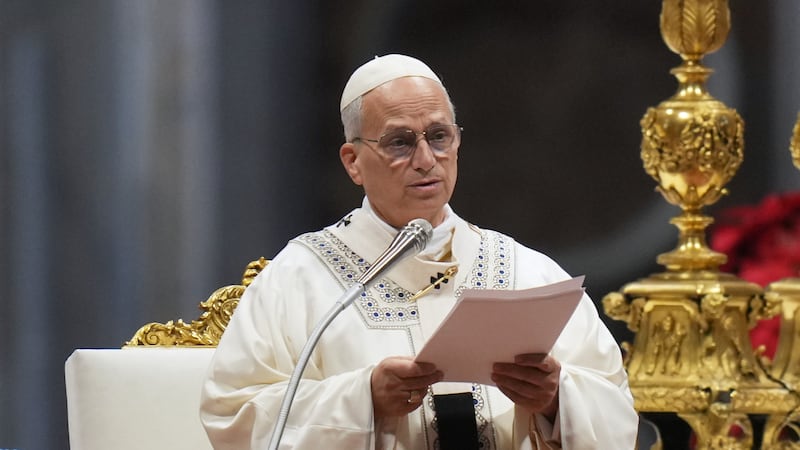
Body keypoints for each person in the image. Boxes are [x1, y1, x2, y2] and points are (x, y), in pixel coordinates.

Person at [200, 54, 638, 449]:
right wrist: (364, 400)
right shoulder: (296, 279)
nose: (426, 159)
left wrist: (557, 399)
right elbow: (233, 417)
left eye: (439, 136)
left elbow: (619, 414)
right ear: (353, 161)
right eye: (400, 142)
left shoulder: (532, 273)